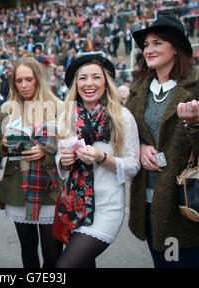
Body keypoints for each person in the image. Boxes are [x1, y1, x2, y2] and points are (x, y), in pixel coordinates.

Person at [127, 15, 199, 268]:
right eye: (146, 45)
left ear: (176, 47)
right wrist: (140, 147)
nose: (149, 50)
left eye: (157, 43)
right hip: (150, 201)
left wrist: (197, 124)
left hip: (188, 202)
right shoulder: (139, 89)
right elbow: (129, 136)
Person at [55, 54, 140, 268]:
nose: (89, 83)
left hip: (106, 209)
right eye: (83, 78)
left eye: (96, 77)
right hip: (75, 207)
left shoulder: (122, 116)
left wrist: (101, 158)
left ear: (106, 82)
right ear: (76, 84)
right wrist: (64, 161)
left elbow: (133, 166)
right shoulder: (67, 117)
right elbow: (61, 162)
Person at [0, 57, 63, 268]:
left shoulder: (58, 107)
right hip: (18, 186)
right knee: (28, 250)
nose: (24, 85)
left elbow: (70, 147)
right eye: (19, 81)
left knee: (52, 253)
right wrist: (4, 144)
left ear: (38, 79)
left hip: (49, 187)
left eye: (29, 79)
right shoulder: (8, 109)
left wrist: (46, 152)